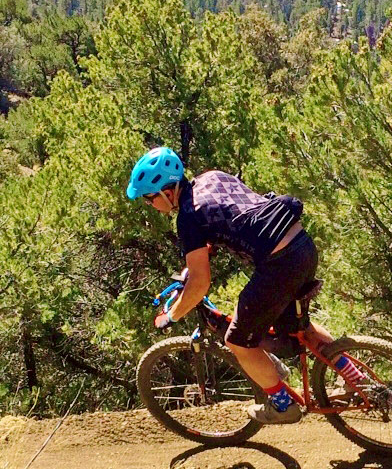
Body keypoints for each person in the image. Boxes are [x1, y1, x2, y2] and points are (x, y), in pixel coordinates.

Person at [128, 146, 366, 425]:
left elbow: (200, 283)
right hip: (301, 246)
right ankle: (357, 380)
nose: (149, 205)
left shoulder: (187, 218)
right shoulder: (212, 177)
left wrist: (172, 315)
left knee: (237, 340)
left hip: (278, 265)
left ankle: (282, 404)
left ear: (167, 193)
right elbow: (236, 214)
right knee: (300, 328)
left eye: (148, 199)